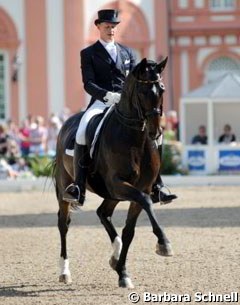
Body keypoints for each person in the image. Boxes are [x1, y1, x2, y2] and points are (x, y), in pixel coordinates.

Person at [63, 9, 177, 206]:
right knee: (82, 130)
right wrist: (107, 96)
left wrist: (128, 98)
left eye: (114, 27)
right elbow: (88, 83)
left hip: (126, 103)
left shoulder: (127, 52)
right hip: (101, 101)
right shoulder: (88, 53)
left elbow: (132, 81)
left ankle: (157, 186)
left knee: (156, 133)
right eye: (107, 26)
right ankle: (79, 187)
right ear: (98, 27)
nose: (111, 30)